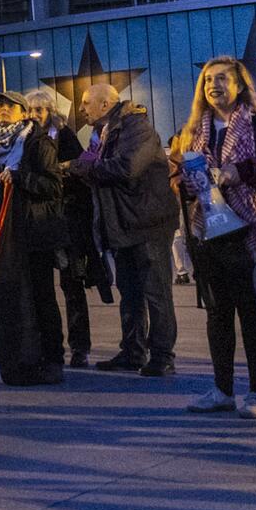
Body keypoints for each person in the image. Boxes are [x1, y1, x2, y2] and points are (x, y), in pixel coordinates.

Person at [172, 58, 256, 418]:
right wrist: (185, 182)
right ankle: (222, 389)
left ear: (240, 85)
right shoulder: (193, 131)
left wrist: (244, 172)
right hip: (208, 232)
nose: (213, 86)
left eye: (222, 79)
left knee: (252, 316)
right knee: (217, 316)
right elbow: (182, 180)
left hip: (251, 231)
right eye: (207, 80)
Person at [71, 83, 180, 376]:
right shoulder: (102, 133)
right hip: (122, 224)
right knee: (130, 292)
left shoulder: (136, 127)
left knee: (156, 292)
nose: (81, 109)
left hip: (147, 222)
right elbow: (89, 165)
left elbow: (127, 167)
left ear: (105, 104)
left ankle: (162, 355)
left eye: (85, 103)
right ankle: (133, 351)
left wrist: (81, 169)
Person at [0, 90, 68, 388]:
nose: (3, 110)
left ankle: (54, 359)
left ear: (23, 112)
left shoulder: (36, 141)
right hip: (5, 235)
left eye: (10, 106)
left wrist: (19, 177)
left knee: (43, 296)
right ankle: (25, 357)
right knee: (16, 299)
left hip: (34, 231)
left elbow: (53, 186)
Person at [29, 87, 105, 368]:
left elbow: (80, 171)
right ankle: (48, 345)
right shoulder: (25, 139)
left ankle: (79, 347)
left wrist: (62, 171)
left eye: (39, 110)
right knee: (42, 289)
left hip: (66, 220)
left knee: (72, 286)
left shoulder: (63, 135)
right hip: (41, 222)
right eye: (30, 110)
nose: (34, 115)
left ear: (50, 111)